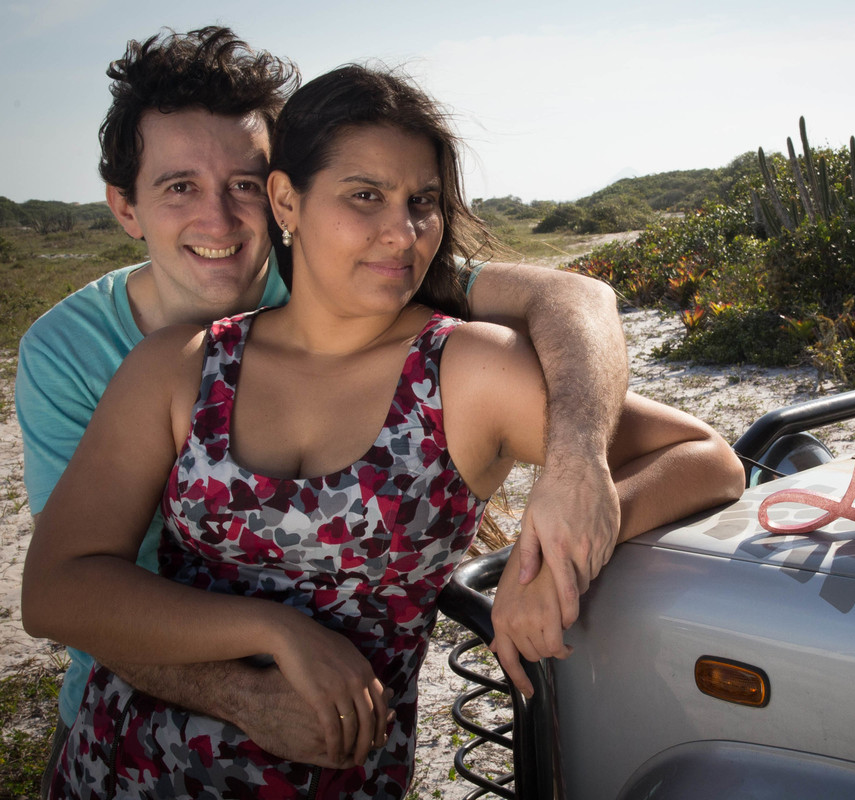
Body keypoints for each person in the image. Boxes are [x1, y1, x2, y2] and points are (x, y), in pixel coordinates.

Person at [22, 62, 744, 797]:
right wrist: (273, 631)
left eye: (423, 202)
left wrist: (549, 548)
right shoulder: (180, 366)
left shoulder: (466, 369)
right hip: (116, 768)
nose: (402, 233)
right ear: (286, 201)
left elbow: (705, 456)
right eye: (364, 196)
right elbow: (58, 587)